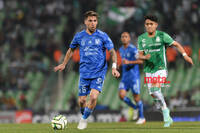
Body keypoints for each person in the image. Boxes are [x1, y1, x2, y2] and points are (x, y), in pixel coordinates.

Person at [54, 11, 120, 130]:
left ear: (97, 22)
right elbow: (70, 50)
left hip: (99, 72)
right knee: (82, 100)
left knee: (93, 97)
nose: (93, 23)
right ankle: (83, 113)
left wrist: (114, 67)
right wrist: (64, 64)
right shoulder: (79, 36)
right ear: (85, 22)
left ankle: (84, 119)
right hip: (84, 73)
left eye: (95, 21)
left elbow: (112, 52)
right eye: (90, 21)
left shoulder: (103, 36)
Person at [138, 15, 194, 127]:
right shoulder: (141, 38)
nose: (149, 26)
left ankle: (166, 114)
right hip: (148, 70)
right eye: (147, 24)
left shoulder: (162, 36)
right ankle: (163, 108)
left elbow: (176, 44)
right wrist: (144, 57)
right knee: (153, 93)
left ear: (156, 25)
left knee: (154, 88)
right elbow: (140, 55)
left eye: (151, 24)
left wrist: (185, 55)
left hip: (161, 69)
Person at [118, 32, 145, 124]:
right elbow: (123, 61)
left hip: (134, 77)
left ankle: (142, 118)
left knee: (136, 98)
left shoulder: (133, 49)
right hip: (125, 77)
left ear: (129, 39)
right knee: (121, 95)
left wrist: (129, 62)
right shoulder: (121, 49)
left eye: (126, 37)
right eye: (122, 37)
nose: (124, 38)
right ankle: (134, 107)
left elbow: (141, 61)